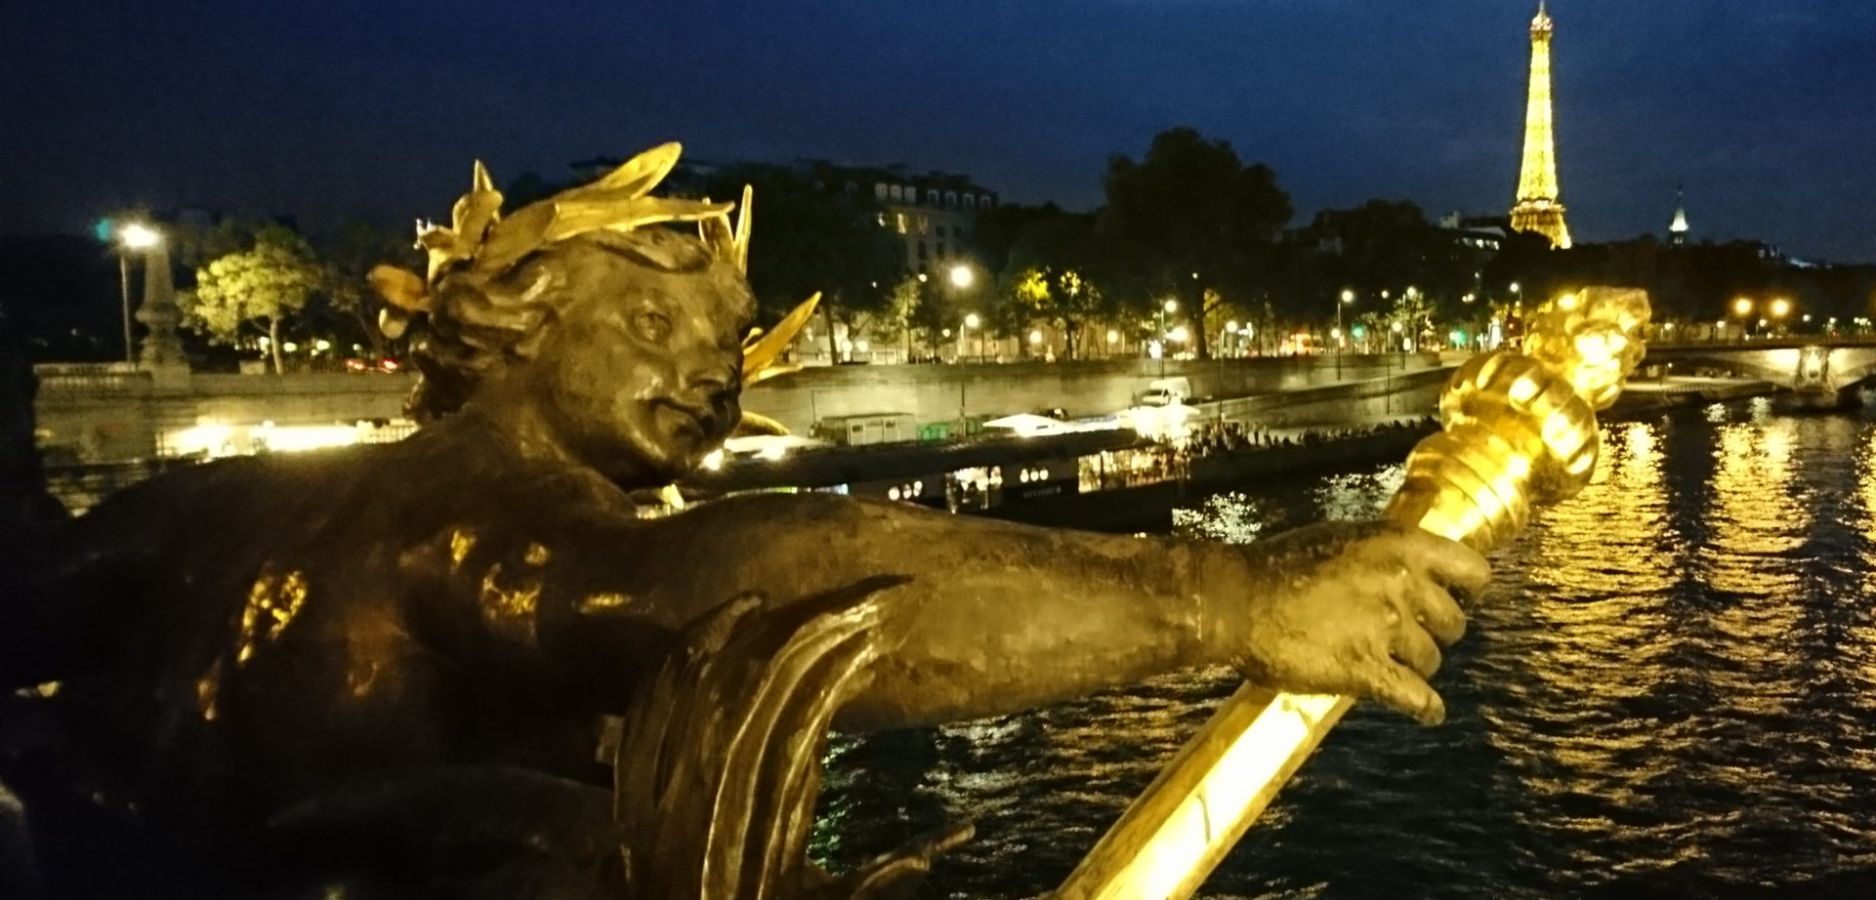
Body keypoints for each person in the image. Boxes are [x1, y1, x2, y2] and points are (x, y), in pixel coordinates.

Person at [0, 145, 1486, 898]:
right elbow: (763, 585)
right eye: (660, 313)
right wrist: (1227, 600)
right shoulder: (482, 530)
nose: (711, 363)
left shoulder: (211, 510)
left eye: (732, 338)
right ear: (516, 315)